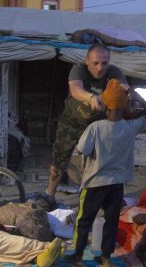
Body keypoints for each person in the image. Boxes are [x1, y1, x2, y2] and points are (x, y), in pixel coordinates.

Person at [66, 80, 146, 267]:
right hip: (116, 184)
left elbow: (82, 150)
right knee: (111, 221)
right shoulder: (131, 127)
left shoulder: (96, 127)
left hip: (94, 184)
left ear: (106, 106)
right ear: (124, 107)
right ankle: (106, 257)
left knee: (84, 220)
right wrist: (133, 93)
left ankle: (78, 256)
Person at [46, 43, 128, 202]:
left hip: (98, 127)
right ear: (87, 61)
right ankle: (49, 195)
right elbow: (76, 89)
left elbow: (124, 89)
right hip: (71, 123)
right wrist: (91, 97)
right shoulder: (78, 70)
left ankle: (105, 198)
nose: (100, 68)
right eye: (95, 63)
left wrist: (127, 95)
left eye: (104, 63)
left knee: (104, 162)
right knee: (59, 160)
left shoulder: (114, 72)